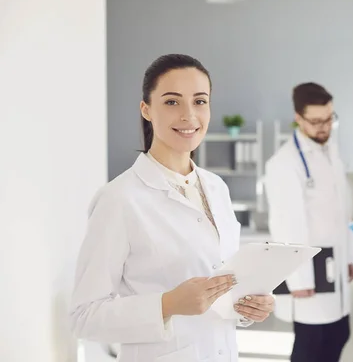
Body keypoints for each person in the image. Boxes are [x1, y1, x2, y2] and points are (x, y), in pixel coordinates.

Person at [68, 54, 274, 362]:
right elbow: (83, 316)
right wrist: (167, 304)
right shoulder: (119, 198)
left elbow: (222, 280)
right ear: (146, 109)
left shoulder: (217, 188)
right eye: (172, 102)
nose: (189, 116)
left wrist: (247, 306)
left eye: (200, 101)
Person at [263, 83, 353, 362]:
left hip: (333, 264)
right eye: (316, 121)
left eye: (329, 119)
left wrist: (348, 256)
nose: (324, 127)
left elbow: (343, 212)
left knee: (339, 334)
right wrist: (298, 278)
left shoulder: (330, 152)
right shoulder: (284, 163)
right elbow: (288, 224)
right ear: (298, 118)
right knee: (311, 345)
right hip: (309, 271)